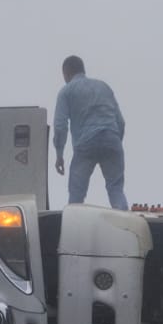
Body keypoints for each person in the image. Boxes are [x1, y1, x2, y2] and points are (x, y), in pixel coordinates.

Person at [52, 56, 128, 211]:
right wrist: (114, 143)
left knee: (76, 195)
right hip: (112, 139)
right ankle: (124, 222)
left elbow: (60, 126)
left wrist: (59, 155)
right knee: (115, 189)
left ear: (66, 73)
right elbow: (120, 122)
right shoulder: (104, 87)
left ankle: (73, 226)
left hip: (86, 145)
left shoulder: (67, 91)